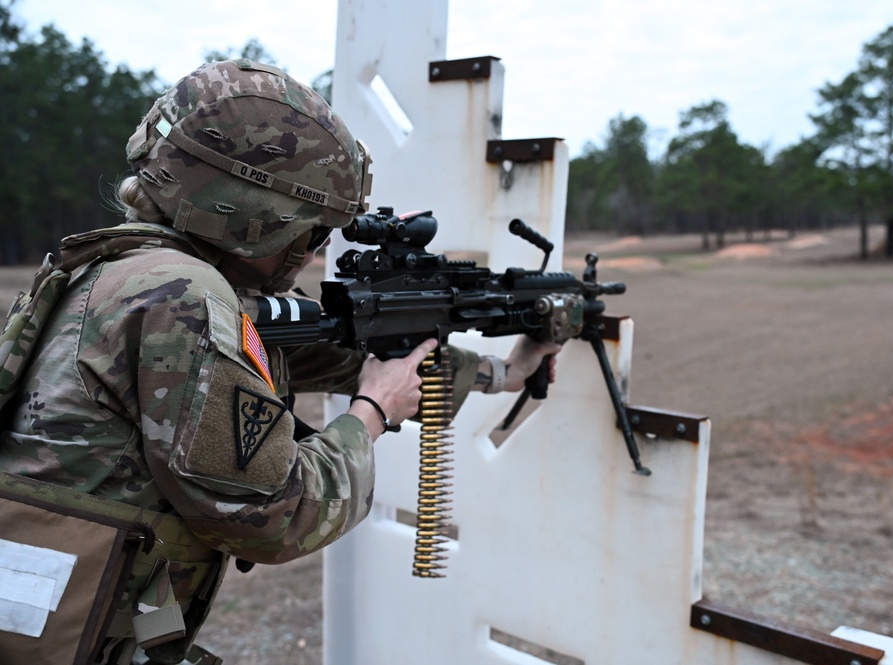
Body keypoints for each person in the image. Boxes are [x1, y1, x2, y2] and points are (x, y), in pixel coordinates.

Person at [0, 59, 557, 664]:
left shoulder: (115, 270)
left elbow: (332, 351)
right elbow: (276, 514)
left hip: (46, 617)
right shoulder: (183, 300)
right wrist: (374, 411)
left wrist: (505, 372)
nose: (312, 253)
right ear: (254, 218)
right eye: (313, 232)